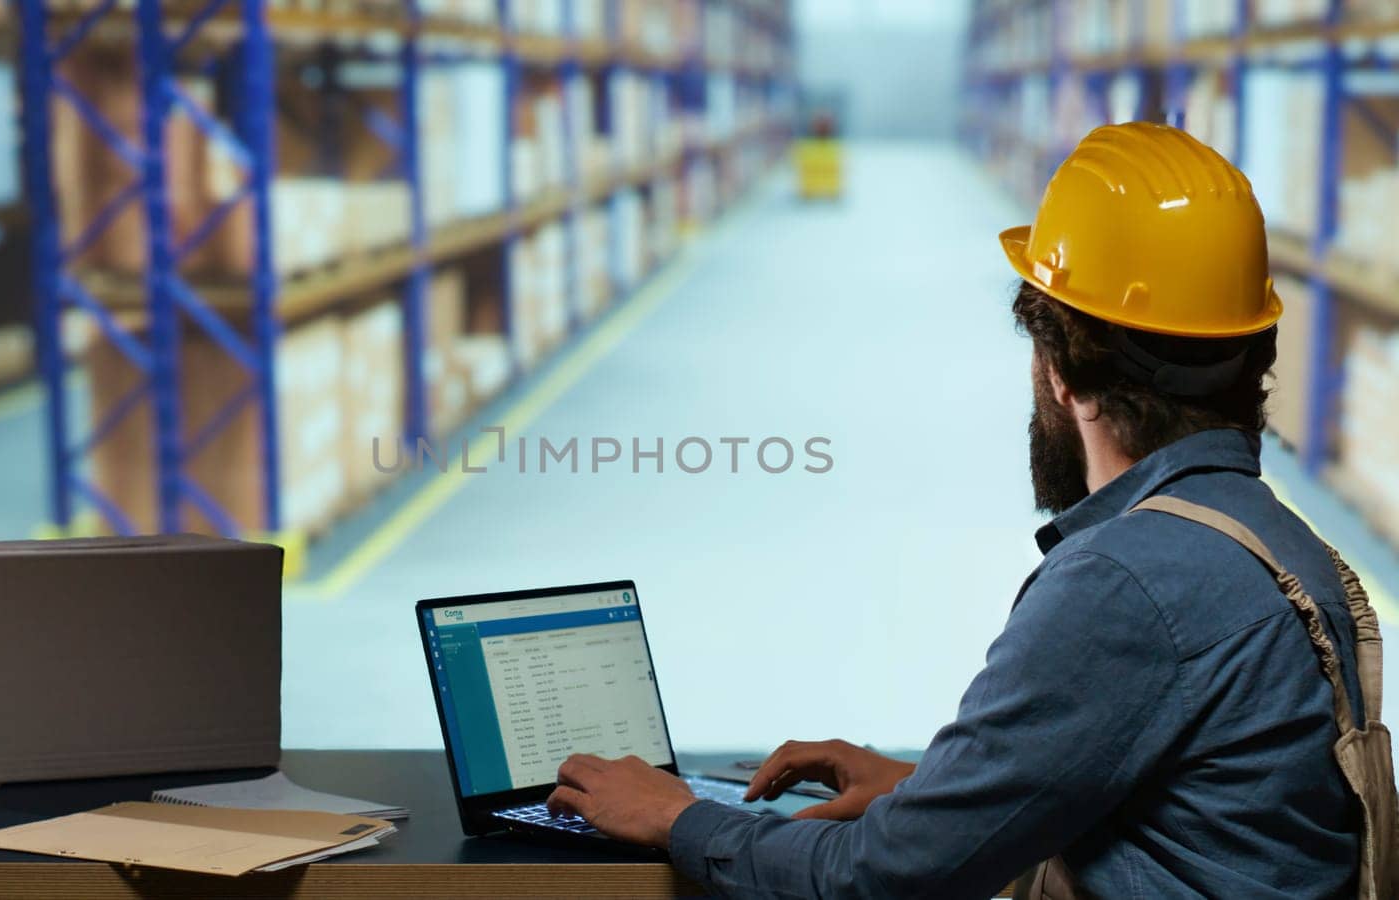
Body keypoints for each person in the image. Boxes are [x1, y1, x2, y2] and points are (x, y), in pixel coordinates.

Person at [545, 123, 1397, 898]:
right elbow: (1180, 804)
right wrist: (927, 794)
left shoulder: (1127, 583)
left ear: (1062, 368)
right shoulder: (1286, 548)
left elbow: (877, 884)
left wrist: (676, 817)